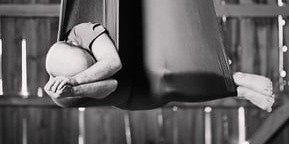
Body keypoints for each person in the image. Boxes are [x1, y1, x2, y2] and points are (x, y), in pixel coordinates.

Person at [43, 22, 276, 111]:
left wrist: (76, 80)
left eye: (89, 62)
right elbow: (111, 85)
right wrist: (75, 90)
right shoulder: (61, 95)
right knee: (173, 91)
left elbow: (113, 64)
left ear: (73, 44)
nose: (91, 67)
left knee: (173, 81)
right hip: (126, 95)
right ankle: (237, 89)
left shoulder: (82, 32)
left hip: (134, 63)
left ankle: (235, 82)